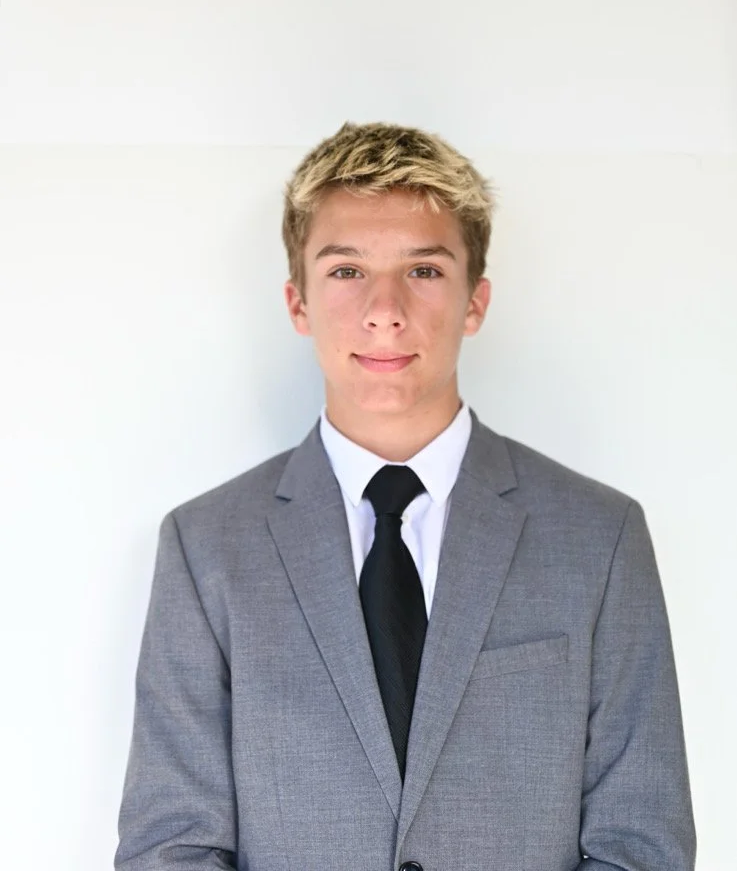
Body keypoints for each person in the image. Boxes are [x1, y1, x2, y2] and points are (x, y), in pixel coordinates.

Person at [115, 122, 696, 871]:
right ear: (297, 303)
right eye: (346, 270)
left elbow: (640, 843)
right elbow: (171, 846)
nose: (384, 309)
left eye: (423, 270)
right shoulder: (206, 549)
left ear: (475, 301)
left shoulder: (599, 537)